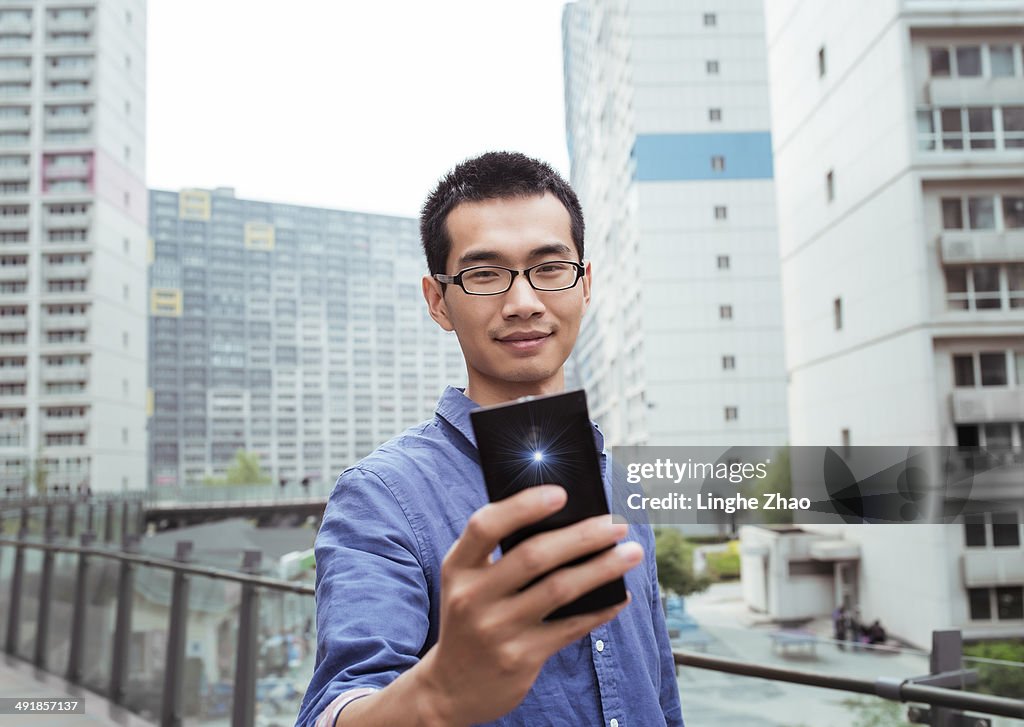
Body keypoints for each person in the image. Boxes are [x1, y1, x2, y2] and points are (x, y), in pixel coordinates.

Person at [295, 152, 684, 727]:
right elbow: (337, 705)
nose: (524, 302)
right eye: (484, 274)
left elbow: (660, 691)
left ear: (586, 284)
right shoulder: (381, 495)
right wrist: (436, 694)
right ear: (438, 301)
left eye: (550, 268)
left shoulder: (615, 477)